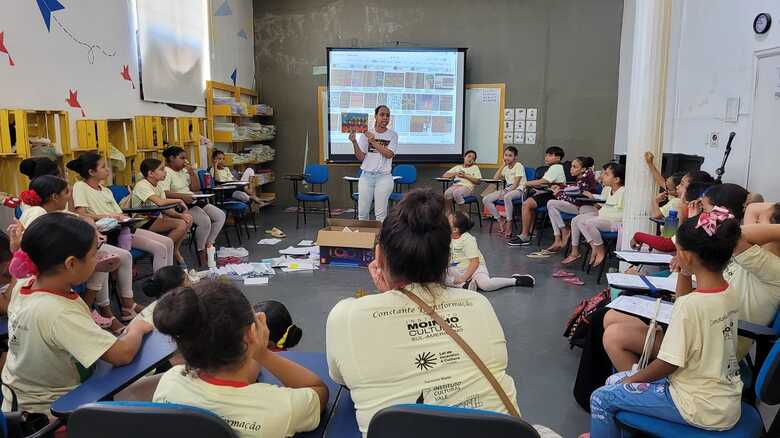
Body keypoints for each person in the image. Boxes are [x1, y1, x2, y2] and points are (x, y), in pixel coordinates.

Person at [326, 189, 521, 436]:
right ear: (447, 258)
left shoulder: (346, 316)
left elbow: (341, 378)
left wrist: (390, 296)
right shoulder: (478, 304)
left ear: (378, 256)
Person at [584, 211, 743, 438]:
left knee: (601, 397)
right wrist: (684, 273)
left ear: (686, 255)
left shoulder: (691, 306)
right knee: (613, 381)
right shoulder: (728, 292)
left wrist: (631, 380)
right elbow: (685, 304)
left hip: (695, 405)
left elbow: (668, 363)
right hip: (723, 400)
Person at [604, 185, 780, 368]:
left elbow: (728, 235)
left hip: (715, 348)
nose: (752, 225)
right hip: (703, 328)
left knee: (615, 336)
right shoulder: (754, 256)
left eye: (760, 223)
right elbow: (752, 208)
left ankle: (639, 387)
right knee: (611, 317)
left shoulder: (771, 267)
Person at [1, 213, 152, 414]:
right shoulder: (59, 312)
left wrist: (19, 252)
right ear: (71, 263)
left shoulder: (24, 285)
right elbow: (122, 355)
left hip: (17, 400)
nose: (97, 258)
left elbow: (13, 289)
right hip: (54, 409)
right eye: (93, 254)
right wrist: (137, 327)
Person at [152, 282, 328, 438]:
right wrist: (262, 352)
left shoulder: (169, 382)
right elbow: (319, 391)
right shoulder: (280, 407)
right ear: (252, 333)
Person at [17, 175, 129, 332]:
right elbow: (122, 354)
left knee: (103, 259)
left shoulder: (49, 211)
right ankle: (90, 309)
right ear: (55, 196)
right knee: (100, 260)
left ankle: (96, 310)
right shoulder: (38, 214)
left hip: (52, 260)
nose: (70, 196)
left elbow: (77, 218)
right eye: (67, 192)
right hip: (47, 264)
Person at [67, 152, 176, 271]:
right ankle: (159, 286)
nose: (107, 169)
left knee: (167, 243)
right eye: (103, 167)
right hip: (106, 234)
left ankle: (169, 283)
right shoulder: (80, 187)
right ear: (91, 172)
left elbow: (119, 213)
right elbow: (81, 215)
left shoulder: (106, 190)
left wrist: (123, 217)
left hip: (121, 229)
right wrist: (109, 216)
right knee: (155, 249)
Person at [161, 146, 226, 266]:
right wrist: (181, 197)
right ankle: (201, 251)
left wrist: (191, 173)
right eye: (182, 158)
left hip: (192, 199)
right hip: (179, 204)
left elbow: (195, 188)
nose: (185, 161)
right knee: (205, 221)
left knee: (220, 215)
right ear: (171, 158)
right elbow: (164, 192)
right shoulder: (166, 172)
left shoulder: (183, 170)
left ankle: (209, 244)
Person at [445, 212, 534, 291]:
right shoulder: (447, 238)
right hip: (457, 269)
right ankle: (465, 285)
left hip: (475, 268)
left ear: (455, 230)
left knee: (486, 285)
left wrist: (463, 277)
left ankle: (515, 280)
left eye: (447, 223)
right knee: (439, 279)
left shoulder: (467, 239)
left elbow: (474, 262)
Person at [561, 163, 625, 268]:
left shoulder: (623, 191)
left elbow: (623, 214)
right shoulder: (609, 190)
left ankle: (600, 250)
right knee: (577, 220)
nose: (602, 176)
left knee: (590, 223)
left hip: (615, 223)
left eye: (606, 174)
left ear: (616, 179)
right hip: (603, 219)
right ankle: (585, 248)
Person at [132, 158, 192, 266]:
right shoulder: (142, 185)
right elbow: (160, 202)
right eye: (161, 169)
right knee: (181, 224)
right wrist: (178, 199)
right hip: (141, 222)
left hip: (155, 219)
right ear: (151, 173)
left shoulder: (158, 185)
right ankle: (164, 250)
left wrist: (180, 215)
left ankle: (173, 250)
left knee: (187, 219)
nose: (165, 172)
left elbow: (166, 209)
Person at [537, 156, 598, 255]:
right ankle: (560, 235)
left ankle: (561, 234)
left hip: (583, 208)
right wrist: (561, 187)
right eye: (571, 166)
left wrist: (558, 193)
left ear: (583, 169)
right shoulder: (582, 177)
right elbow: (574, 188)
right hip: (579, 206)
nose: (571, 169)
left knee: (551, 204)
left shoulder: (586, 179)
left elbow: (575, 198)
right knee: (551, 205)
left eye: (574, 167)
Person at [509, 146, 568, 246]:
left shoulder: (556, 167)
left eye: (550, 155)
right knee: (529, 203)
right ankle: (531, 231)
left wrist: (527, 183)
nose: (546, 157)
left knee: (526, 204)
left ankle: (525, 235)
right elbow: (546, 183)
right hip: (549, 193)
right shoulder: (553, 168)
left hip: (554, 196)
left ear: (558, 158)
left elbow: (543, 181)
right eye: (546, 155)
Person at [349, 105, 398, 222]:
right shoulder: (366, 134)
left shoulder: (392, 135)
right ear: (375, 116)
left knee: (380, 215)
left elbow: (389, 154)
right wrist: (354, 142)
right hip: (366, 177)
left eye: (387, 115)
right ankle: (363, 239)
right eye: (382, 114)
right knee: (362, 213)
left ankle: (380, 240)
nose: (385, 118)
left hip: (384, 177)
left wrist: (373, 141)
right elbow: (360, 157)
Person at [483, 146, 526, 238]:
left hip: (520, 189)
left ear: (515, 157)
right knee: (486, 199)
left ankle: (509, 223)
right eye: (505, 155)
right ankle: (500, 220)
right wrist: (502, 165)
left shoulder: (519, 165)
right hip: (508, 188)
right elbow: (495, 178)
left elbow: (516, 183)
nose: (507, 157)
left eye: (510, 155)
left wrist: (506, 191)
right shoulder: (506, 168)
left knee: (507, 196)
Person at [442, 150, 482, 214]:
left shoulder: (475, 167)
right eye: (469, 156)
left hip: (467, 187)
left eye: (473, 158)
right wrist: (456, 173)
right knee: (447, 193)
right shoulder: (458, 167)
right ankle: (449, 214)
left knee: (456, 193)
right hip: (455, 186)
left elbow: (478, 181)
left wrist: (465, 176)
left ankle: (464, 215)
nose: (471, 159)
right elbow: (444, 175)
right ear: (464, 157)